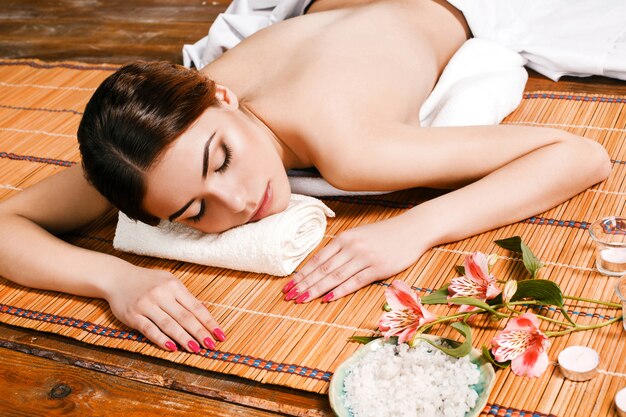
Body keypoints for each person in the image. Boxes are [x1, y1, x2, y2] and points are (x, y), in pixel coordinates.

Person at [0, 0, 612, 354]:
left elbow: (580, 155)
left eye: (223, 159)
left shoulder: (351, 147)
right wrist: (117, 279)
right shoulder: (156, 152)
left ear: (221, 95)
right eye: (193, 213)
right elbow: (7, 224)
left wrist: (413, 229)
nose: (239, 201)